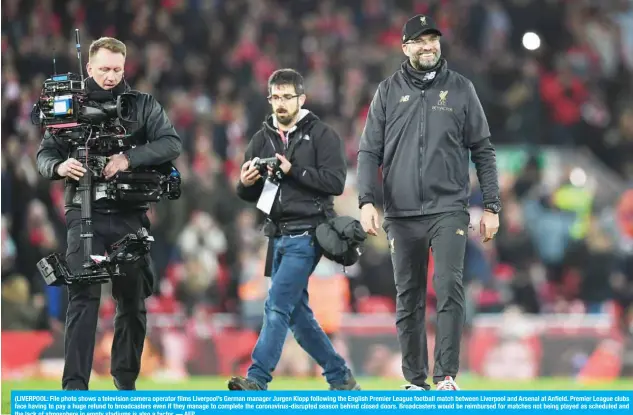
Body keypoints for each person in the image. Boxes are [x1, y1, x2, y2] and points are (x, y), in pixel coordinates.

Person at [356, 15, 501, 391]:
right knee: (409, 297)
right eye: (419, 41)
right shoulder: (387, 91)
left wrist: (491, 206)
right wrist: (366, 201)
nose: (428, 46)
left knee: (450, 286)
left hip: (449, 207)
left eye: (433, 40)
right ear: (405, 48)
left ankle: (446, 376)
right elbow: (369, 151)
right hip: (401, 212)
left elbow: (483, 150)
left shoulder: (461, 89)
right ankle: (415, 380)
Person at [36, 37, 182, 390]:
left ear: (124, 67)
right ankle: (74, 388)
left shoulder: (143, 105)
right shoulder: (66, 105)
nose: (111, 76)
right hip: (84, 209)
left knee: (133, 298)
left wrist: (128, 158)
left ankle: (125, 383)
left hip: (129, 213)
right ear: (89, 67)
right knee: (83, 297)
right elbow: (43, 156)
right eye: (103, 69)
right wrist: (60, 166)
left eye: (117, 69)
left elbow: (171, 143)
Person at [228, 68, 360, 391]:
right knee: (298, 317)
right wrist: (244, 184)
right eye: (276, 97)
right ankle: (340, 377)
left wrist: (293, 170)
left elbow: (335, 182)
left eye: (288, 97)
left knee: (276, 303)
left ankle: (258, 378)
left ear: (302, 98)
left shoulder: (322, 134)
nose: (281, 103)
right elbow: (248, 193)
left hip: (310, 233)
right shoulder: (261, 138)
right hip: (277, 235)